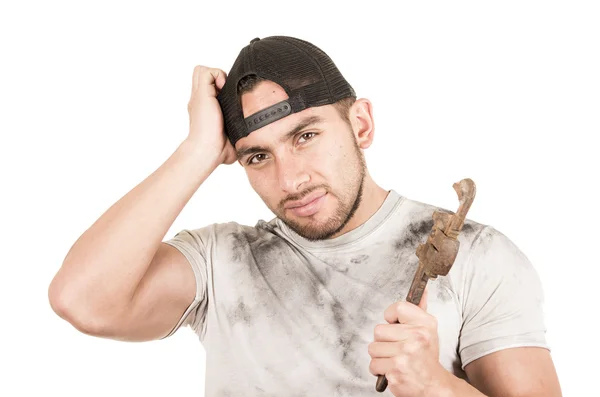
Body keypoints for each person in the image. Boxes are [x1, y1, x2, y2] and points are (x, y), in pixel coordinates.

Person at [48, 36, 562, 396]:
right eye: (258, 156)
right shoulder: (220, 263)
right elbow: (81, 301)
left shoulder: (477, 255)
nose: (290, 179)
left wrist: (435, 388)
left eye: (306, 136)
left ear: (360, 124)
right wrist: (196, 151)